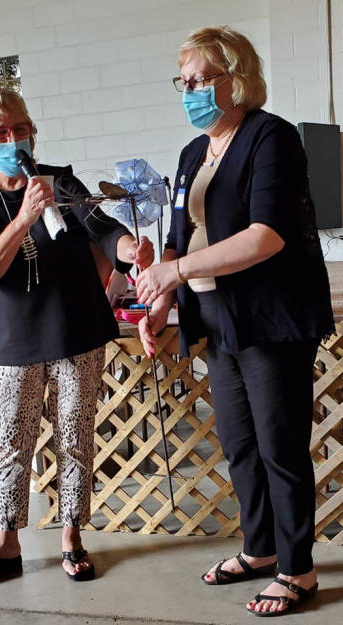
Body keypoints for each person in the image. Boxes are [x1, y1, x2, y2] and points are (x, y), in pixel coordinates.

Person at [137, 26, 334, 617]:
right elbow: (179, 237)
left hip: (271, 316)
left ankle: (298, 569)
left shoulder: (270, 137)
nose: (192, 91)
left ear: (238, 78)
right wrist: (162, 297)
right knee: (240, 444)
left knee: (279, 446)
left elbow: (265, 236)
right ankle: (260, 549)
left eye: (204, 79)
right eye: (185, 82)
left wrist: (174, 272)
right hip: (216, 317)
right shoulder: (191, 154)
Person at [0, 86, 154, 588]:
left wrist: (129, 248)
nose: (13, 139)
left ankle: (72, 535)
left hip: (77, 331)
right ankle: (6, 544)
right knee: (12, 442)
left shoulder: (59, 182)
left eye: (20, 128)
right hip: (19, 342)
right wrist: (24, 217)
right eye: (0, 132)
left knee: (75, 437)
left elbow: (99, 225)